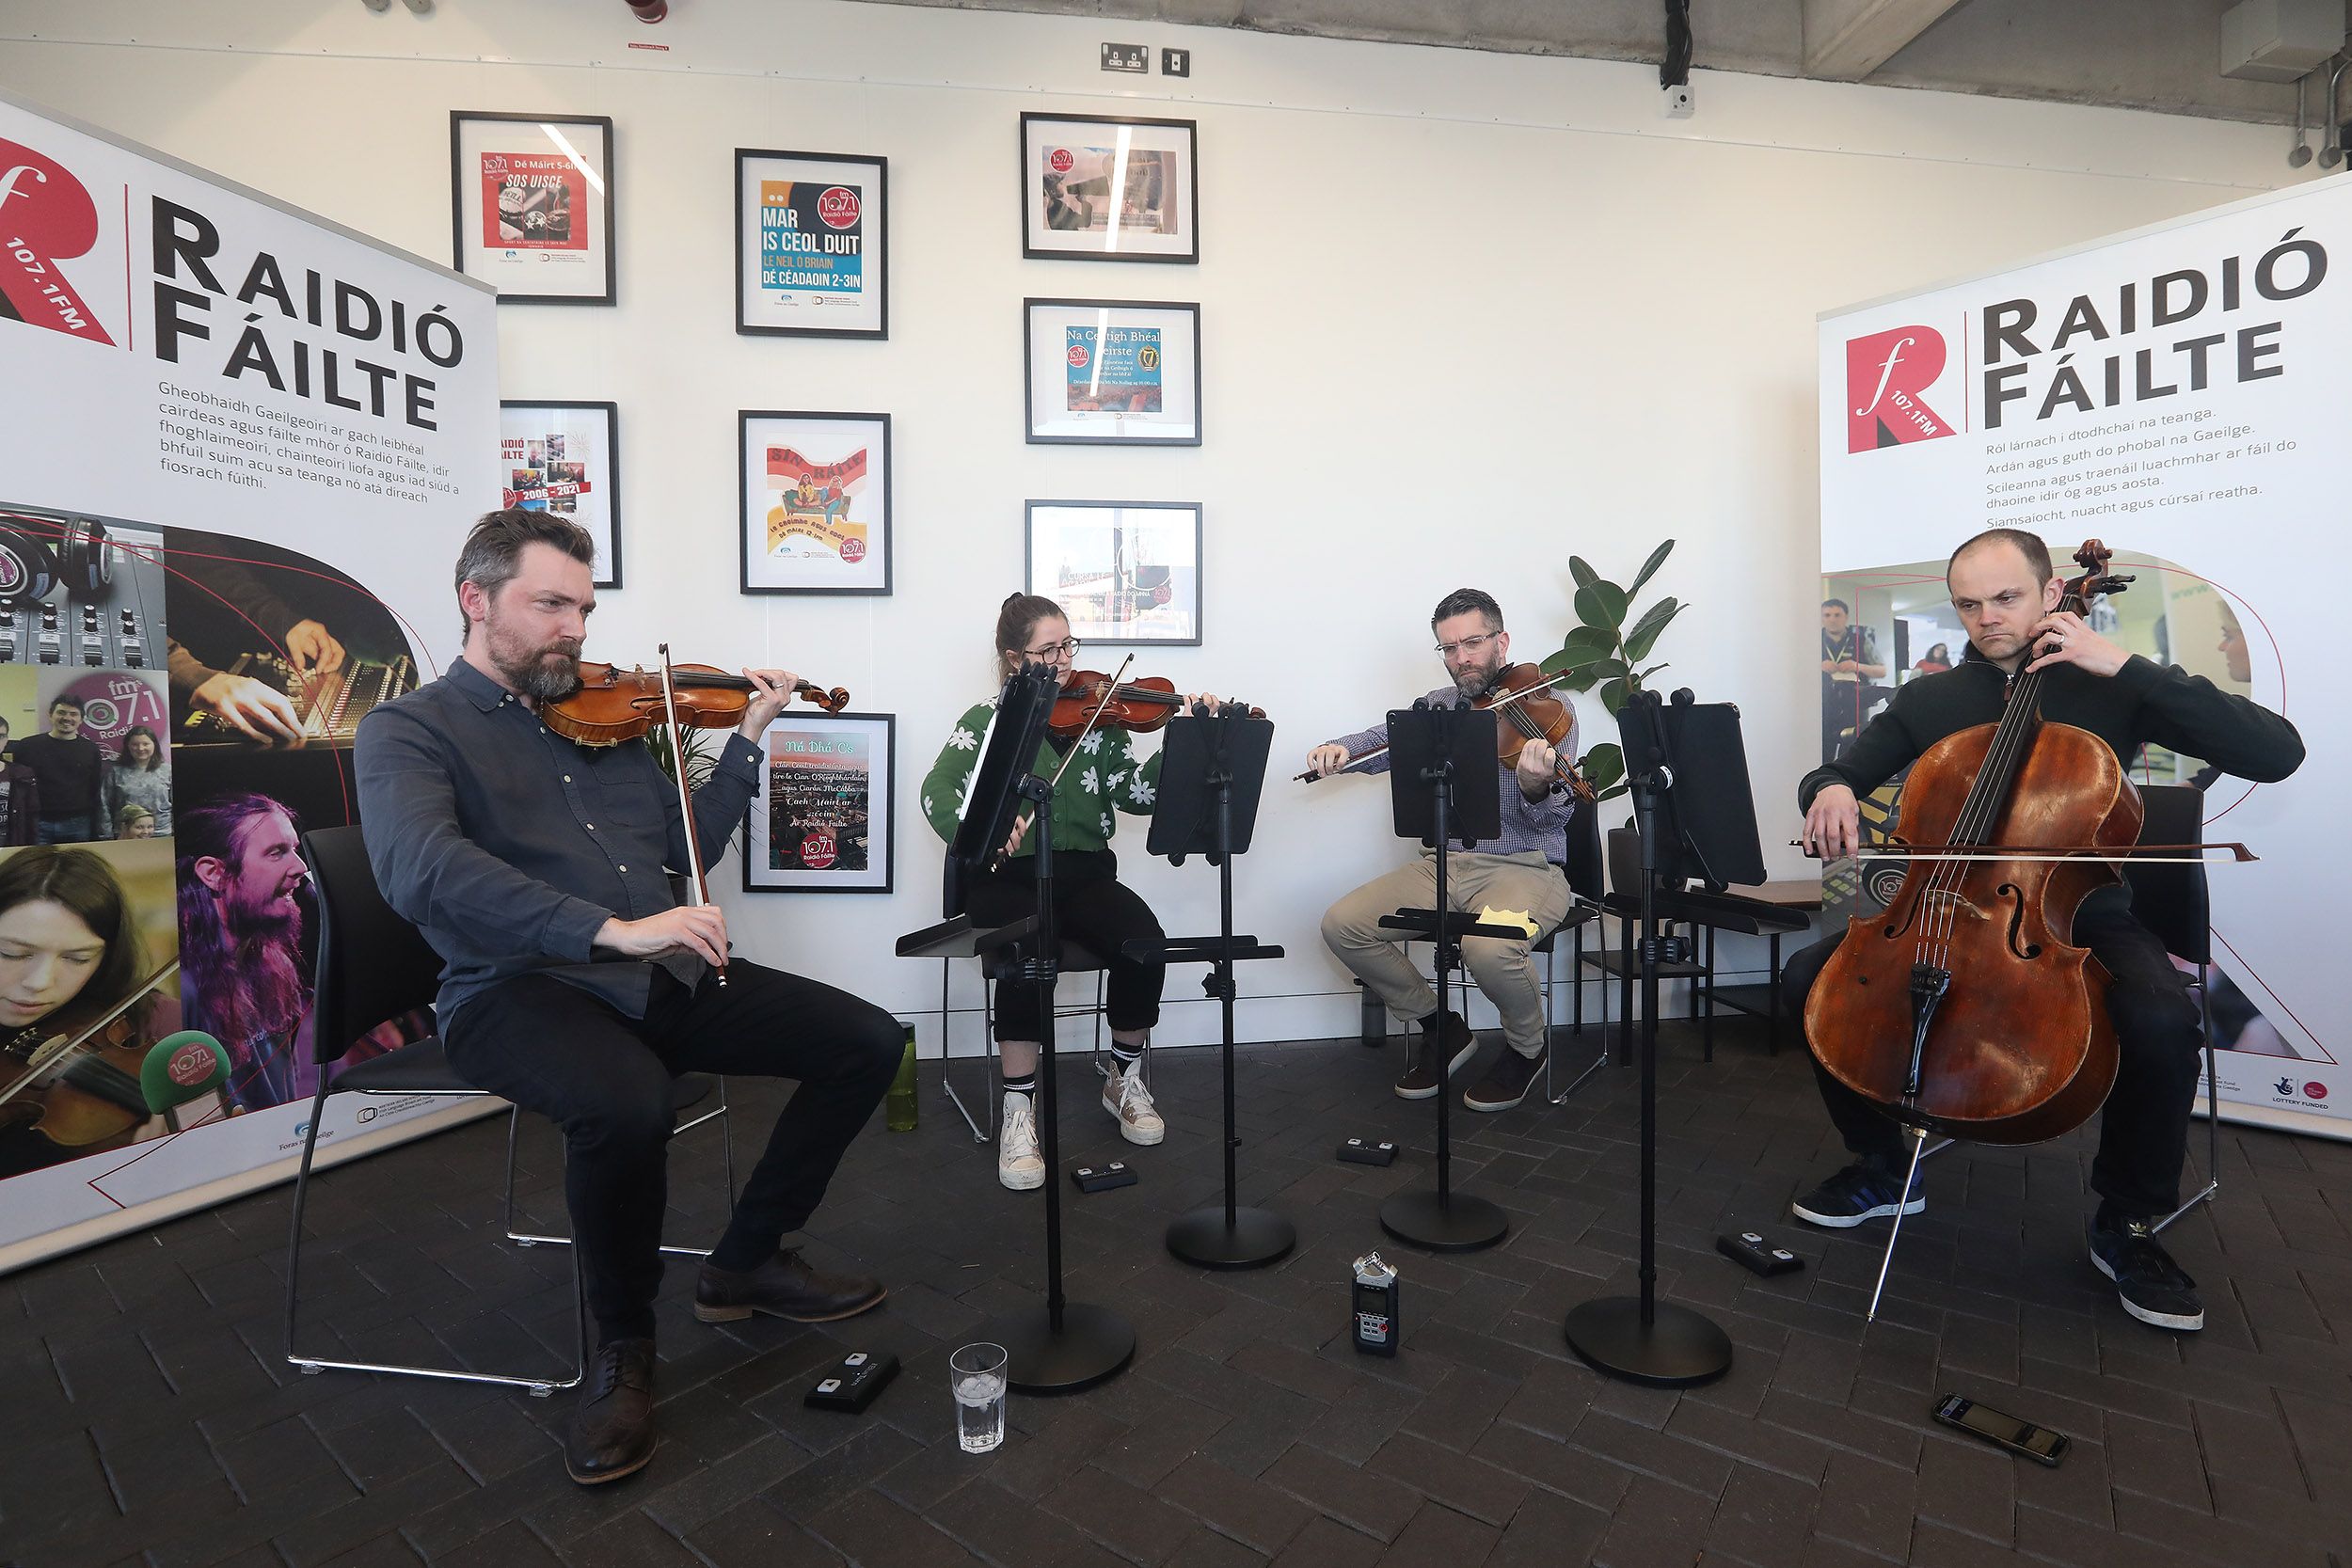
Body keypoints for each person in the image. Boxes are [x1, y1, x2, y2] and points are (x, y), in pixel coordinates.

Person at [355, 507, 898, 1488]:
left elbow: (684, 849)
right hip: (515, 989)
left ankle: (745, 1260)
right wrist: (608, 929)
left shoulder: (604, 724)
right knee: (626, 1102)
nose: (573, 628)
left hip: (653, 973)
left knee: (865, 1037)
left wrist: (748, 738)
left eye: (583, 608)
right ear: (476, 601)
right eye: (549, 603)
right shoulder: (409, 728)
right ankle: (621, 1346)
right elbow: (420, 870)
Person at [1785, 528, 2304, 1333]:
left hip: (2074, 911)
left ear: (2052, 590)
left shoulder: (2113, 683)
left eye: (2005, 597)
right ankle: (1884, 1165)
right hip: (1941, 902)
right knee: (1805, 981)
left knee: (2164, 1016)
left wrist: (2123, 664)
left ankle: (2127, 1219)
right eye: (1967, 603)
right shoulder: (1931, 699)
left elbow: (2275, 753)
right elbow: (1844, 770)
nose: (1986, 617)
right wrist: (1829, 790)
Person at [919, 594, 1212, 1191]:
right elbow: (937, 790)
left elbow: (1137, 793)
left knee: (1144, 942)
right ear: (1013, 658)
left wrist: (1185, 740)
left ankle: (1123, 1078)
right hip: (1008, 878)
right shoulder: (985, 721)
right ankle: (1019, 1107)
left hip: (1084, 872)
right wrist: (989, 834)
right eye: (1048, 649)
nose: (1063, 661)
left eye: (1067, 645)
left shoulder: (1100, 720)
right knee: (1029, 952)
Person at [1307, 589, 1580, 1114]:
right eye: (1449, 648)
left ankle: (1528, 1047)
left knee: (1489, 947)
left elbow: (1553, 819)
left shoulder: (1550, 708)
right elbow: (1380, 743)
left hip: (1523, 869)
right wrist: (1338, 752)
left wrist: (1535, 786)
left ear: (1501, 641)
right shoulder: (1438, 708)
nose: (1462, 658)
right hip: (1444, 866)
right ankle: (1442, 1027)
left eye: (1472, 643)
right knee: (1343, 924)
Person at [177, 793, 312, 1113]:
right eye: (277, 853)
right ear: (214, 874)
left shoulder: (271, 962)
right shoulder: (185, 991)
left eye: (293, 849)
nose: (301, 866)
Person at [12, 697, 107, 844]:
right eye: (61, 712)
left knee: (77, 866)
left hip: (79, 822)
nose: (67, 718)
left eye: (73, 714)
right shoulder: (27, 746)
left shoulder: (91, 749)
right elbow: (17, 786)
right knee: (39, 865)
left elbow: (95, 787)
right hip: (38, 821)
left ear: (81, 719)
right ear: (50, 715)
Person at [1820, 598, 1887, 761]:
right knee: (1822, 755)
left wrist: (1858, 666)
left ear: (1846, 617)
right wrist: (1818, 666)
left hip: (1855, 706)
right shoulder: (1811, 641)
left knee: (1852, 755)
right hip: (1823, 707)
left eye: (1837, 615)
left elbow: (1882, 670)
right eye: (1827, 615)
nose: (1832, 619)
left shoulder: (1861, 640)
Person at [103, 724, 172, 838]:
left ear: (154, 745)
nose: (140, 748)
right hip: (126, 835)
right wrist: (106, 835)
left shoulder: (168, 771)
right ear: (128, 746)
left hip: (162, 833)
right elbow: (104, 805)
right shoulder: (116, 772)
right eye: (135, 744)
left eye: (146, 744)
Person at [0, 716, 41, 847]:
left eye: (1, 736)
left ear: (6, 740)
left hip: (11, 845)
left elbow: (31, 817)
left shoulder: (22, 774)